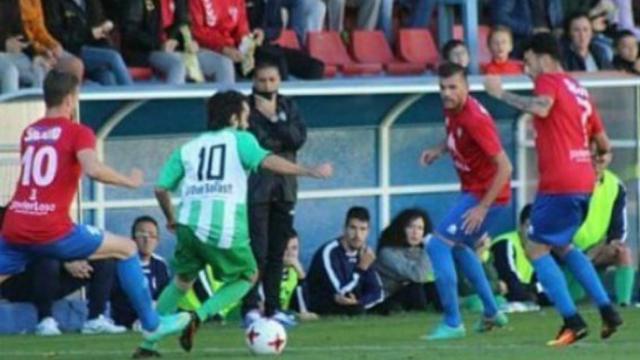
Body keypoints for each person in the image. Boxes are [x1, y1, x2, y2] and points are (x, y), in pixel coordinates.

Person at [0, 71, 190, 354]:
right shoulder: (78, 131)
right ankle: (152, 323)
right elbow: (93, 169)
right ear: (70, 99)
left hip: (16, 224)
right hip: (51, 227)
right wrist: (130, 181)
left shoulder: (31, 132)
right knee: (126, 248)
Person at [143, 90, 332, 355]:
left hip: (187, 224)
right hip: (222, 226)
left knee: (182, 280)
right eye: (245, 114)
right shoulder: (240, 139)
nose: (247, 119)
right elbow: (268, 161)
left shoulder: (188, 147)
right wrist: (308, 171)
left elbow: (161, 188)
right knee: (248, 275)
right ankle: (193, 317)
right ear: (234, 117)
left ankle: (147, 343)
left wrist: (171, 219)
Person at [484, 31, 622, 346]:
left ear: (541, 55)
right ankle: (607, 311)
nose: (526, 68)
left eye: (527, 60)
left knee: (535, 249)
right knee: (562, 246)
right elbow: (604, 144)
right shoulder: (579, 90)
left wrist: (500, 93)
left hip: (559, 181)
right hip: (583, 180)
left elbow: (543, 107)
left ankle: (572, 321)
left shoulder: (550, 80)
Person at [419, 62, 512, 340]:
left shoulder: (475, 119)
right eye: (442, 88)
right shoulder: (453, 109)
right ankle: (493, 312)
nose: (446, 93)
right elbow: (455, 136)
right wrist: (438, 149)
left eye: (452, 87)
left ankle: (452, 322)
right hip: (475, 191)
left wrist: (482, 207)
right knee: (459, 247)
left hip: (486, 196)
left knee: (437, 244)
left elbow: (506, 167)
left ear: (467, 87)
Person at [241, 61, 307, 327]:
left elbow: (297, 139)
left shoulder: (288, 106)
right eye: (262, 81)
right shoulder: (244, 107)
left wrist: (274, 120)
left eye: (272, 80)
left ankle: (273, 307)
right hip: (257, 190)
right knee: (256, 251)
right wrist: (277, 130)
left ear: (279, 80)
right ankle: (249, 308)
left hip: (286, 188)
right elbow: (256, 144)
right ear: (253, 81)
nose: (267, 86)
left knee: (277, 251)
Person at [120, 0, 235, 84]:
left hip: (178, 49)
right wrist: (159, 44)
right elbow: (130, 33)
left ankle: (227, 110)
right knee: (178, 65)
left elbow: (183, 22)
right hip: (147, 52)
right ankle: (172, 113)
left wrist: (188, 41)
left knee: (223, 63)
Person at [571, 152, 634, 307]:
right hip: (567, 252)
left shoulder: (615, 185)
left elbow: (618, 228)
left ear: (610, 157)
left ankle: (624, 305)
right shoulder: (571, 181)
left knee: (622, 252)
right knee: (574, 299)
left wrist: (612, 244)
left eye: (603, 153)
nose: (598, 158)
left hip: (596, 251)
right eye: (594, 154)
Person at [304, 206, 384, 316]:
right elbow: (342, 293)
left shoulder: (365, 253)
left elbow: (378, 292)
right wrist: (361, 269)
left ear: (368, 231)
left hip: (353, 303)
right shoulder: (329, 252)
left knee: (388, 307)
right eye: (353, 228)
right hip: (325, 303)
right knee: (356, 311)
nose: (357, 235)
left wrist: (359, 302)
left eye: (363, 229)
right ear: (344, 229)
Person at [43, 0, 134, 86]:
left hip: (93, 49)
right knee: (114, 57)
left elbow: (99, 20)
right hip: (71, 50)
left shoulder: (91, 2)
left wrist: (106, 25)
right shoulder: (53, 2)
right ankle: (132, 94)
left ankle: (119, 101)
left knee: (106, 74)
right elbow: (58, 34)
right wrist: (90, 34)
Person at [111, 215, 171, 329]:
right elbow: (116, 297)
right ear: (133, 239)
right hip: (124, 322)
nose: (147, 239)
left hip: (154, 317)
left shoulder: (160, 265)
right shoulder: (121, 264)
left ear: (157, 241)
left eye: (152, 236)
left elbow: (164, 295)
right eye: (142, 234)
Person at [373, 208, 433, 314]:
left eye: (420, 228)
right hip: (388, 299)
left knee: (435, 285)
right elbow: (417, 275)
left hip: (411, 292)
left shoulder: (418, 251)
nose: (415, 232)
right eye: (410, 227)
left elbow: (429, 276)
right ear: (401, 228)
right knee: (416, 288)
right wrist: (428, 249)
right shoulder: (387, 252)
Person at [490, 204, 544, 310]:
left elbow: (548, 294)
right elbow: (513, 287)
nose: (532, 232)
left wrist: (534, 291)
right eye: (529, 226)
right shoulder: (506, 243)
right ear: (521, 226)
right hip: (495, 296)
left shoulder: (540, 248)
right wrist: (534, 291)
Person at [279, 229, 318, 320]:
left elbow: (303, 310)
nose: (290, 254)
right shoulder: (266, 271)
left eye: (294, 248)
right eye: (285, 248)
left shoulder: (295, 272)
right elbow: (264, 308)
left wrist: (301, 277)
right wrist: (293, 315)